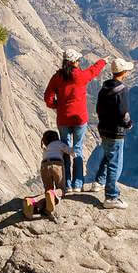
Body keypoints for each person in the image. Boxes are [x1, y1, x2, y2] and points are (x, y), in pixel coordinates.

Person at [44, 49, 107, 192]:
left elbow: (48, 97)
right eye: (78, 61)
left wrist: (56, 105)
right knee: (77, 148)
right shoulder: (79, 76)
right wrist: (103, 61)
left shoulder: (57, 77)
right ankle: (78, 184)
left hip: (63, 118)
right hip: (79, 118)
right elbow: (93, 71)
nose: (79, 63)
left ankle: (66, 184)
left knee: (65, 150)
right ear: (74, 62)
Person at [95, 57, 135, 209]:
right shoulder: (122, 90)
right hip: (115, 131)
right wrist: (128, 124)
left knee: (107, 156)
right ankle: (111, 196)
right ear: (123, 72)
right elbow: (123, 112)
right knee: (115, 163)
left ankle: (99, 181)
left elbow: (98, 109)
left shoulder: (104, 88)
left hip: (103, 128)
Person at [22, 129, 73, 219]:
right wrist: (75, 152)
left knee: (48, 191)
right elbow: (69, 151)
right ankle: (52, 195)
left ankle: (32, 201)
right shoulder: (59, 143)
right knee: (61, 190)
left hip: (44, 166)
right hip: (57, 165)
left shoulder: (47, 148)